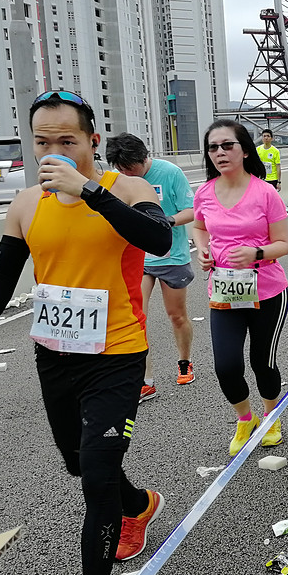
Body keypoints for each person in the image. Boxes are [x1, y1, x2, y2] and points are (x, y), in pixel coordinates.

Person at [0, 90, 173, 575]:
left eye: (68, 140)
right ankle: (139, 504)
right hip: (55, 356)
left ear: (92, 139)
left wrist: (86, 190)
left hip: (117, 355)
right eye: (43, 142)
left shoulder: (126, 190)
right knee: (80, 464)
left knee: (95, 477)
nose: (55, 151)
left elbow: (158, 239)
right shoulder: (23, 204)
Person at [194, 119, 288, 456]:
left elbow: (284, 244)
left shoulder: (265, 192)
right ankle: (245, 418)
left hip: (266, 291)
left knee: (262, 362)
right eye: (213, 147)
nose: (219, 152)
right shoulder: (205, 192)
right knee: (226, 365)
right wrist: (204, 250)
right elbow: (199, 226)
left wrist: (256, 252)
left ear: (245, 150)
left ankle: (271, 416)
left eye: (227, 145)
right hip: (224, 291)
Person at [104, 133, 197, 399]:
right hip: (137, 258)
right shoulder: (118, 180)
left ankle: (184, 361)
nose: (125, 173)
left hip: (170, 255)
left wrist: (166, 221)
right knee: (136, 318)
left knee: (176, 315)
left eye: (129, 168)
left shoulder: (170, 173)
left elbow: (191, 210)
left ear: (144, 158)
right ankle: (145, 380)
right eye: (120, 169)